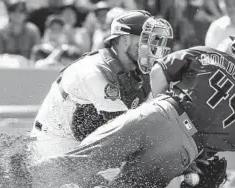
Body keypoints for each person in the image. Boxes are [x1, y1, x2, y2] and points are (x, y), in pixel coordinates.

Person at [27, 27, 235, 188]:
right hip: (184, 151)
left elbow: (159, 68)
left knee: (88, 157)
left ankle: (16, 181)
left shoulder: (211, 54)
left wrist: (161, 104)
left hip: (161, 113)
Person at [30, 10, 173, 159]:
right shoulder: (95, 70)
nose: (152, 47)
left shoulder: (139, 71)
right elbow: (125, 128)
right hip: (54, 145)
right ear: (125, 40)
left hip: (83, 145)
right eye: (146, 39)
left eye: (154, 40)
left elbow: (157, 117)